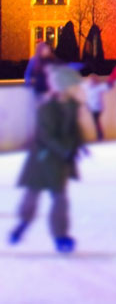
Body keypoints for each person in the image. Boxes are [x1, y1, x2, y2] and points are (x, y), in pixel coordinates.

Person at [9, 65, 85, 253]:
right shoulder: (47, 108)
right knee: (32, 195)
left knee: (60, 199)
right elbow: (47, 136)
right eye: (74, 85)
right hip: (43, 159)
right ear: (63, 87)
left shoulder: (72, 106)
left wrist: (79, 145)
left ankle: (60, 236)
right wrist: (65, 150)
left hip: (59, 160)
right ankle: (23, 224)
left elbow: (74, 130)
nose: (78, 89)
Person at [83, 74, 110, 141]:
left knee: (96, 121)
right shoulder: (86, 86)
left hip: (98, 107)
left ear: (95, 81)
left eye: (92, 81)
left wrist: (106, 80)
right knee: (96, 121)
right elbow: (80, 84)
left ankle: (100, 135)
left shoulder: (99, 87)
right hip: (91, 107)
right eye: (90, 81)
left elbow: (108, 86)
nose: (91, 83)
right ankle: (100, 135)